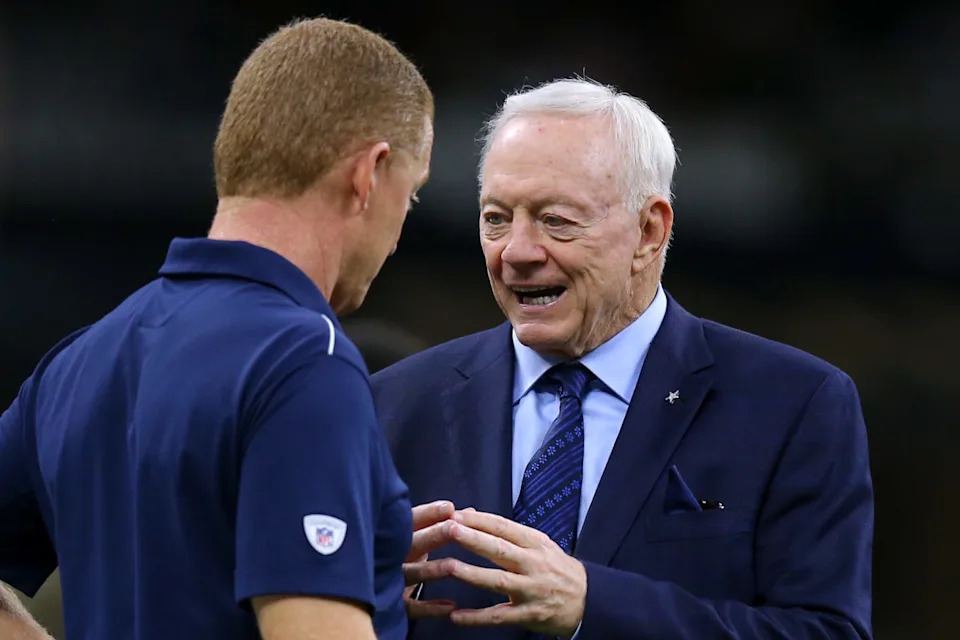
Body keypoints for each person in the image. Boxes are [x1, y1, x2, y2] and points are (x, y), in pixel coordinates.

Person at [372, 78, 874, 639]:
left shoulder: (793, 405)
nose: (516, 251)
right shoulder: (394, 403)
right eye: (496, 218)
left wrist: (595, 606)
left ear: (648, 231)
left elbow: (827, 632)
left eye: (556, 220)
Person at [0, 17, 439, 640]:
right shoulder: (305, 361)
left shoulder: (79, 360)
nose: (400, 234)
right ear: (369, 173)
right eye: (411, 194)